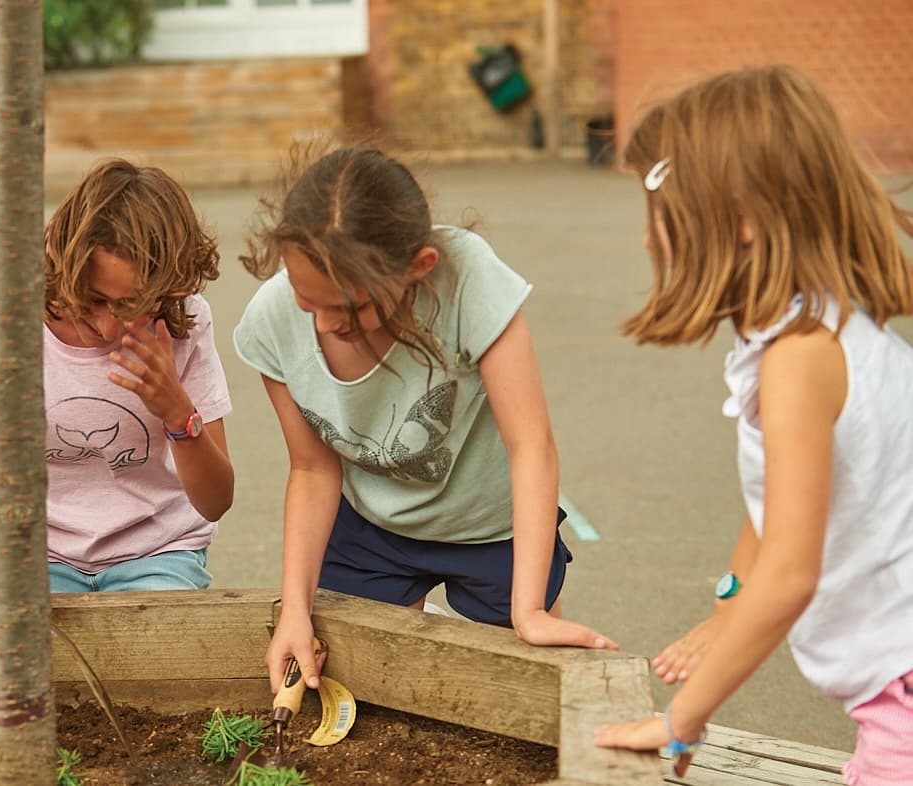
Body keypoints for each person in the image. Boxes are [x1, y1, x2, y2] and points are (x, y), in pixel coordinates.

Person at [594, 65, 913, 785]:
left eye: (660, 210)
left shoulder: (797, 360)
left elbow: (790, 576)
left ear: (738, 220)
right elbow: (773, 498)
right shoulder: (817, 321)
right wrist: (723, 611)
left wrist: (681, 721)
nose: (648, 240)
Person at [234, 143, 618, 692]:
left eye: (352, 307)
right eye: (306, 298)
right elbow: (313, 471)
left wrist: (529, 610)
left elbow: (531, 447)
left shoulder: (469, 281)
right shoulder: (271, 321)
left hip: (490, 528)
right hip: (372, 527)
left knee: (522, 688)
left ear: (420, 268)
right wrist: (294, 610)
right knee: (365, 689)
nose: (323, 325)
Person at [0, 159, 234, 592]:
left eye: (133, 306)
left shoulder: (184, 322)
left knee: (156, 649)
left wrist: (179, 414)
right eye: (92, 301)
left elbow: (216, 502)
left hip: (158, 552)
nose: (107, 328)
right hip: (32, 549)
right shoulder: (9, 316)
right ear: (62, 268)